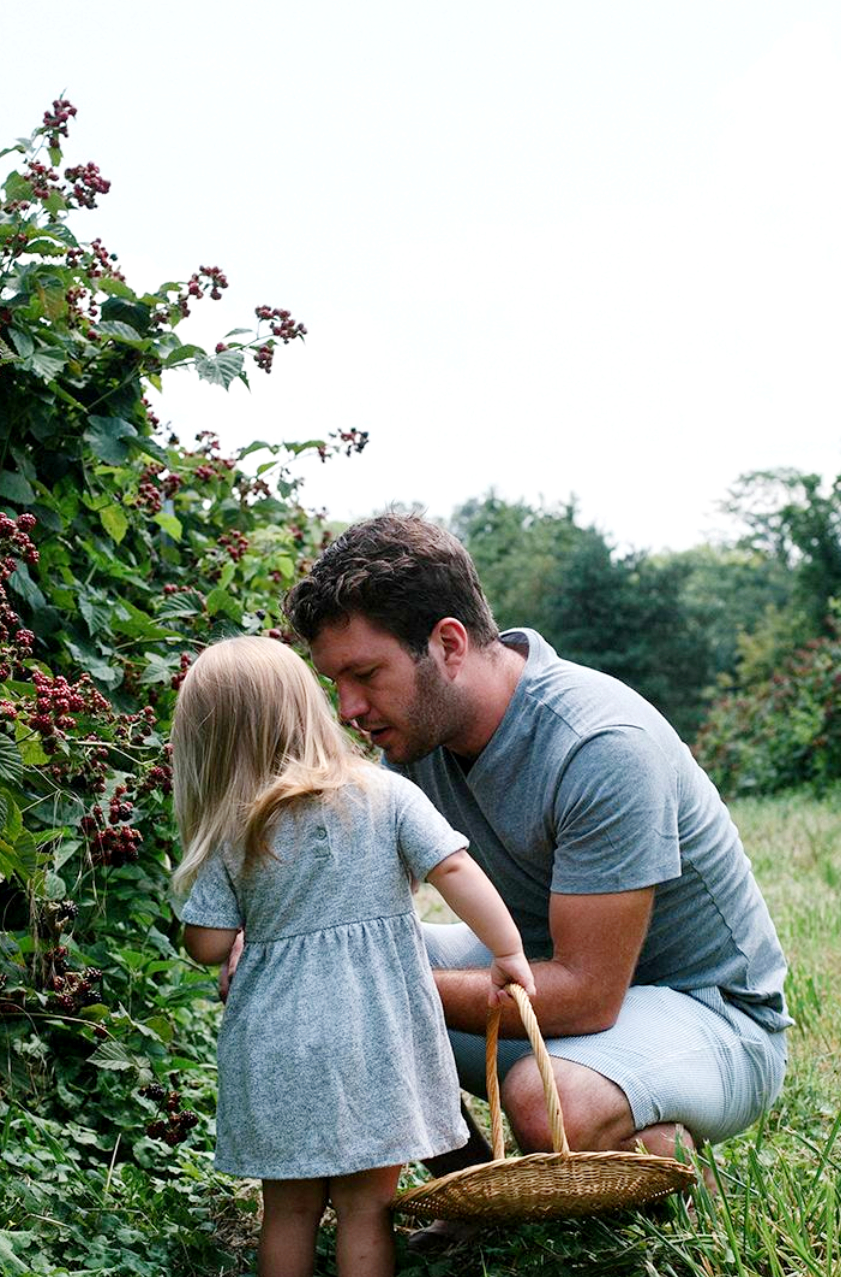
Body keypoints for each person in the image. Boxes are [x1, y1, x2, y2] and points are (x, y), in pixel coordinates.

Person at [283, 514, 792, 1228]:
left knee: (547, 1101)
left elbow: (587, 996)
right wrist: (282, 943)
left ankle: (653, 1148)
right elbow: (349, 907)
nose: (350, 710)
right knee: (316, 960)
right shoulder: (415, 738)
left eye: (366, 675)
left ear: (448, 644)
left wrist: (384, 986)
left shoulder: (600, 745)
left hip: (712, 1013)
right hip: (541, 966)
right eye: (337, 682)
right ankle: (477, 1198)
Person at [170, 634, 534, 1277]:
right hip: (376, 1035)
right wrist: (508, 952)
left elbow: (208, 944)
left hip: (278, 1044)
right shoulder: (387, 792)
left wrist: (240, 939)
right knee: (369, 1207)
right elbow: (455, 871)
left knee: (289, 1209)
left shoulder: (236, 827)